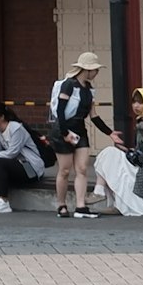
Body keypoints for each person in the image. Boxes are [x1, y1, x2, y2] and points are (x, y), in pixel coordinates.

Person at [45, 51, 103, 219]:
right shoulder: (69, 85)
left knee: (82, 168)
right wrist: (64, 133)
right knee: (64, 170)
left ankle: (80, 205)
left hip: (79, 129)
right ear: (87, 69)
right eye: (95, 70)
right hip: (63, 129)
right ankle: (61, 204)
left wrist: (110, 133)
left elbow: (94, 115)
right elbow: (60, 111)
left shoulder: (89, 89)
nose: (96, 73)